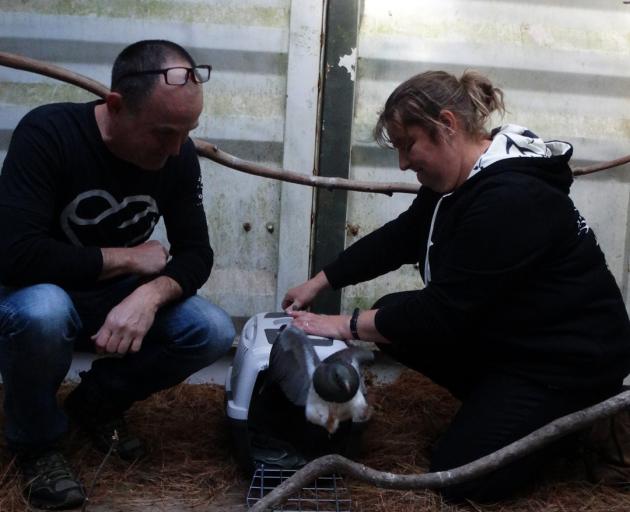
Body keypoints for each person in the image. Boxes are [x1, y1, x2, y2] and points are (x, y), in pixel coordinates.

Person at [282, 70, 630, 502]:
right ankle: (502, 408)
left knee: (458, 476)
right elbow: (404, 235)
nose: (404, 164)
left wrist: (341, 324)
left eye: (408, 145)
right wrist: (320, 280)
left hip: (566, 363)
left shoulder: (510, 197)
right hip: (519, 337)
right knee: (394, 313)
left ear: (446, 125)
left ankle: (579, 422)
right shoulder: (462, 179)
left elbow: (441, 312)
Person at [0, 40, 235, 510]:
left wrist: (149, 296)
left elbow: (196, 254)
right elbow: (13, 253)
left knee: (211, 330)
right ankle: (38, 444)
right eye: (163, 133)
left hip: (115, 301)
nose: (174, 150)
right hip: (38, 294)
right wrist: (128, 260)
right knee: (43, 310)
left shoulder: (178, 153)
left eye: (186, 133)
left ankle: (96, 405)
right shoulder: (49, 133)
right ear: (116, 105)